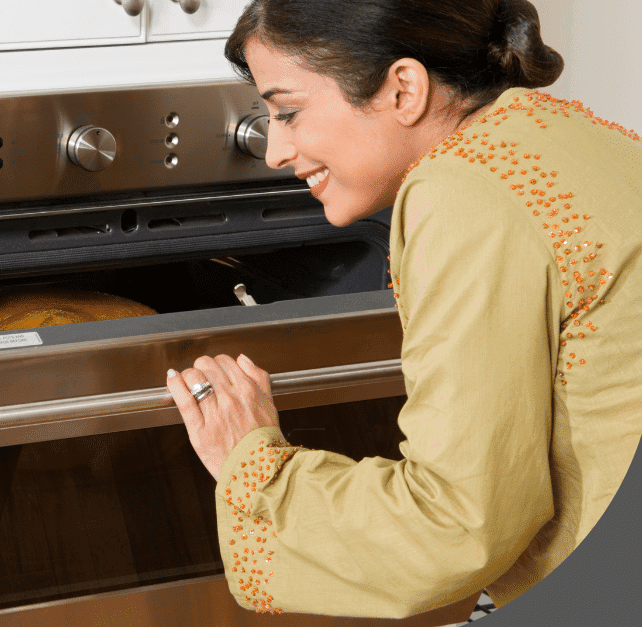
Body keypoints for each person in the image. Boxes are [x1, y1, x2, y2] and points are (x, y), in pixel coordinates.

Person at [165, 0, 642, 618]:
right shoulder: (580, 135)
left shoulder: (461, 189)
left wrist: (252, 465)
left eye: (288, 112)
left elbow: (457, 522)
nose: (274, 150)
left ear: (405, 89)